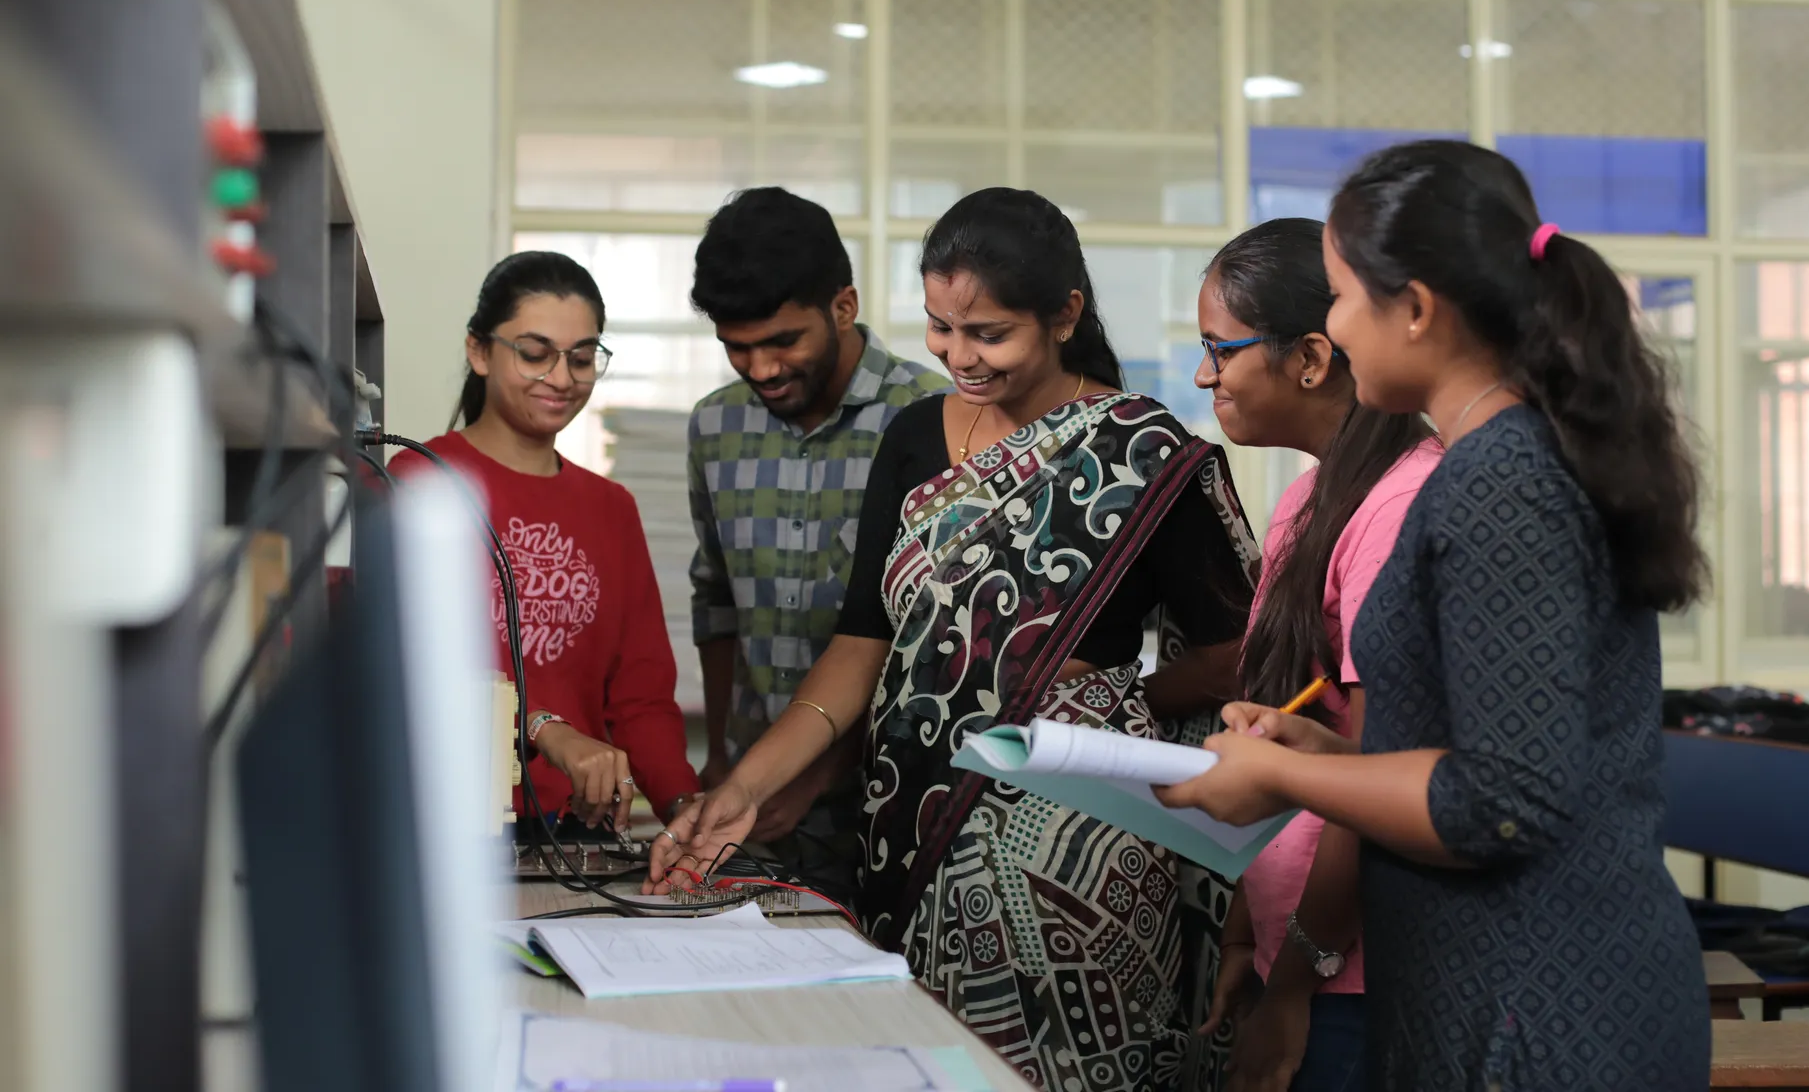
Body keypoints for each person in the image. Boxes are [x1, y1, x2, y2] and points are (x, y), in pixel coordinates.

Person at [653, 187, 1260, 1091]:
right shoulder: (914, 436)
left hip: (1077, 860)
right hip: (909, 835)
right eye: (941, 328)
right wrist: (747, 785)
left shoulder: (1142, 452)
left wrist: (1099, 701)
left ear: (1064, 316)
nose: (958, 355)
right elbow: (864, 642)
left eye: (988, 333)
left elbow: (1236, 653)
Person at [1158, 141, 1713, 1090]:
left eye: (1342, 298)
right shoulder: (1491, 466)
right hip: (1498, 992)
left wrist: (1286, 776)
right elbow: (1478, 745)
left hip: (1538, 1012)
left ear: (1414, 310)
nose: (1333, 328)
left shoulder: (1501, 480)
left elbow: (1505, 801)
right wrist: (1319, 752)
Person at [1192, 219, 1440, 1092]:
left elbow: (1371, 773)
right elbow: (1284, 724)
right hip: (1291, 946)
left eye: (1219, 350)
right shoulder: (1309, 498)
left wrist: (1295, 984)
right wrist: (1244, 936)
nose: (1204, 376)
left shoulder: (1399, 505)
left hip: (1350, 974)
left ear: (1309, 357)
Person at [686, 186, 948, 902]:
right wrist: (726, 762)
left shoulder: (932, 419)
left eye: (782, 342)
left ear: (843, 306)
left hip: (894, 802)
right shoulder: (714, 427)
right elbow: (716, 599)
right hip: (753, 812)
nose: (762, 369)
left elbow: (931, 643)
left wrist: (816, 774)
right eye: (737, 348)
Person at [390, 250, 699, 834]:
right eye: (535, 354)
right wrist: (541, 727)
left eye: (581, 359)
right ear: (479, 351)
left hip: (576, 831)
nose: (561, 379)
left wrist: (684, 806)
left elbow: (640, 696)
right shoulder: (418, 482)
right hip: (443, 823)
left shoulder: (611, 508)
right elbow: (407, 666)